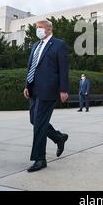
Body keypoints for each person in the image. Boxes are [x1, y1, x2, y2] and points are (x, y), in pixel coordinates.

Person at [23, 20, 69, 173]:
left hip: (48, 90)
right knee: (34, 120)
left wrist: (63, 90)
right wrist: (26, 86)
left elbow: (63, 69)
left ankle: (40, 159)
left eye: (40, 28)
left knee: (39, 124)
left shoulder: (58, 44)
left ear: (49, 29)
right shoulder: (35, 46)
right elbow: (31, 67)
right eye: (36, 28)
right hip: (34, 89)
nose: (37, 30)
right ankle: (58, 137)